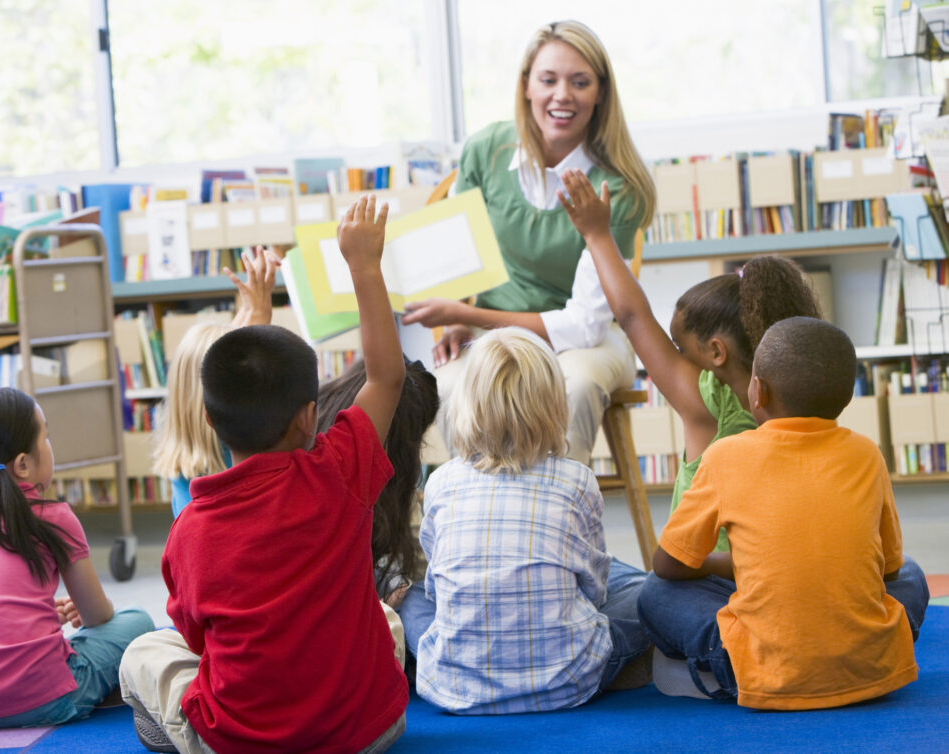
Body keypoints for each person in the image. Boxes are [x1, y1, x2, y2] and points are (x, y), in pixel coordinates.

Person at [118, 195, 408, 754]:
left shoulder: (189, 531)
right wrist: (364, 267)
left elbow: (200, 644)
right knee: (381, 618)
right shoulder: (339, 470)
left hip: (240, 743)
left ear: (207, 418)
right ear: (309, 416)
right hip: (366, 733)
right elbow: (386, 378)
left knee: (144, 652)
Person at [636, 317, 929, 708]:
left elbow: (668, 565)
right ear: (846, 397)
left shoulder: (726, 455)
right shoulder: (867, 454)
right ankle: (870, 653)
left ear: (759, 391)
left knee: (655, 593)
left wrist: (727, 565)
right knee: (912, 573)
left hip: (761, 671)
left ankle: (722, 673)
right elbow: (890, 570)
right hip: (870, 667)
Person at [400, 19, 656, 466]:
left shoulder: (616, 186)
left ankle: (552, 520)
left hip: (589, 342)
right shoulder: (486, 151)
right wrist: (461, 315)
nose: (563, 95)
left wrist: (469, 314)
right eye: (549, 79)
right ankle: (477, 521)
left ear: (600, 94)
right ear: (526, 87)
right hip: (494, 337)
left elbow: (584, 325)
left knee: (573, 385)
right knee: (446, 389)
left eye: (580, 82)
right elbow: (462, 252)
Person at [558, 170, 822, 551]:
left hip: (711, 583)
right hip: (786, 578)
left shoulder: (708, 401)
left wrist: (597, 234)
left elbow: (632, 315)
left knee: (633, 587)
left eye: (682, 353)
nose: (677, 363)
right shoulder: (811, 400)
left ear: (717, 354)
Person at [399, 327, 651, 714]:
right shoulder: (577, 479)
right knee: (645, 589)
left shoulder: (441, 480)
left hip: (455, 683)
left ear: (466, 404)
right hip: (567, 681)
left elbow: (437, 588)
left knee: (413, 597)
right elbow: (595, 592)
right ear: (554, 405)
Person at [0, 385, 153, 729]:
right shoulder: (52, 516)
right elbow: (97, 617)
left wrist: (35, 613)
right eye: (46, 437)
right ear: (22, 464)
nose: (50, 445)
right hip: (46, 699)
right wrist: (84, 608)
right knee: (136, 619)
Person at [152, 246, 279, 517]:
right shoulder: (230, 452)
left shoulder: (187, 463)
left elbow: (223, 354)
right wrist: (260, 314)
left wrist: (253, 304)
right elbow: (250, 374)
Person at [316, 357, 440, 608]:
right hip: (340, 599)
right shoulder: (368, 469)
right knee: (417, 600)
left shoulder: (320, 412)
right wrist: (385, 607)